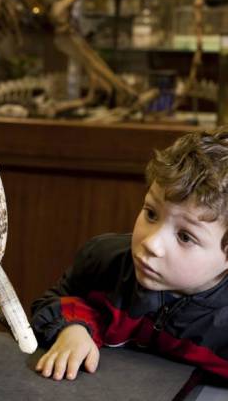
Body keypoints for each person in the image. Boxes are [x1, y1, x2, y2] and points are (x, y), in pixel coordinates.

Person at [31, 127, 228, 381]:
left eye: (185, 236)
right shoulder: (104, 262)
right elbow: (56, 301)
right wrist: (72, 328)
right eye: (151, 214)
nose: (151, 243)